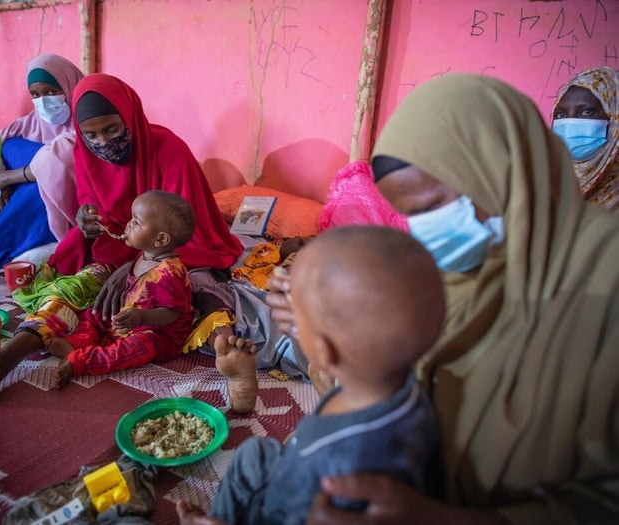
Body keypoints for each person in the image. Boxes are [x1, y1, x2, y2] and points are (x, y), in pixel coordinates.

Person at [265, 74, 619, 525]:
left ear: (501, 169)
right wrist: (323, 331)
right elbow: (400, 385)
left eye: (434, 206)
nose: (424, 230)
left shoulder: (604, 278)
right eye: (410, 215)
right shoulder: (453, 271)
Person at [0, 73, 242, 406]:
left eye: (112, 130)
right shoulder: (85, 153)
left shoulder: (170, 151)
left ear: (130, 118)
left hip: (172, 253)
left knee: (204, 288)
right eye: (90, 134)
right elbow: (99, 214)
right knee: (71, 292)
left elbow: (187, 229)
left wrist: (135, 268)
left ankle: (230, 353)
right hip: (117, 250)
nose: (102, 142)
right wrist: (86, 223)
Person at [177, 225, 444, 525]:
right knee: (256, 452)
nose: (292, 327)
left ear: (324, 349)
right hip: (301, 454)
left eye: (298, 325)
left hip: (289, 497)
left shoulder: (340, 472)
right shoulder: (398, 386)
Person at [47, 190, 195, 388]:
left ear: (160, 240)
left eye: (137, 222)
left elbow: (172, 314)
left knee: (135, 349)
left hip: (157, 331)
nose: (128, 224)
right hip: (132, 316)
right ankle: (78, 341)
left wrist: (142, 318)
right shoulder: (146, 254)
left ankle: (81, 361)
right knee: (96, 312)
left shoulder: (170, 273)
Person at [0, 53, 84, 268]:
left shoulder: (87, 120)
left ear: (69, 86)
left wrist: (6, 178)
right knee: (10, 147)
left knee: (47, 182)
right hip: (29, 191)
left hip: (69, 198)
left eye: (51, 92)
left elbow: (62, 161)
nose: (43, 101)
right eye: (35, 94)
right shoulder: (28, 125)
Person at [552, 66, 619, 213]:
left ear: (614, 119)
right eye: (560, 114)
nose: (570, 124)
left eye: (586, 112)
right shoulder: (546, 185)